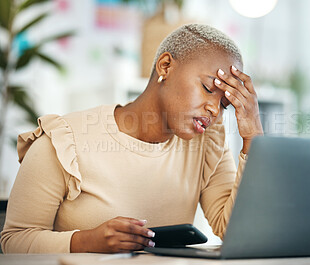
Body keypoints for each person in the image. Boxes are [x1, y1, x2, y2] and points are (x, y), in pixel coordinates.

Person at [0, 24, 263, 253]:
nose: (215, 110)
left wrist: (253, 138)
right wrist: (86, 241)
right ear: (166, 66)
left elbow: (237, 231)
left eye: (224, 105)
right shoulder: (63, 140)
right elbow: (14, 241)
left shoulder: (206, 143)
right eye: (208, 88)